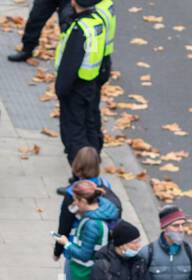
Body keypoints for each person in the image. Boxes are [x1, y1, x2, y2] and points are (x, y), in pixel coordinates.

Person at [54, 0, 109, 162]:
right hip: (90, 83)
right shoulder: (97, 21)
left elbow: (70, 64)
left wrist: (60, 89)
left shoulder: (79, 28)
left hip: (75, 88)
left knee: (75, 133)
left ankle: (81, 175)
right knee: (90, 126)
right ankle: (92, 164)